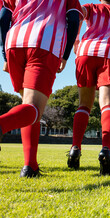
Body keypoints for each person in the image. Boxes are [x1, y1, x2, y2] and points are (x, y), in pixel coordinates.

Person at [0, 0, 82, 177]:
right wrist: (66, 55)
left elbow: (3, 16)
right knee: (34, 107)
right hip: (44, 41)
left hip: (14, 42)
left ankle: (30, 166)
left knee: (28, 107)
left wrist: (4, 54)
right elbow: (74, 20)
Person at [67, 0, 110, 175]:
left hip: (85, 52)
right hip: (109, 53)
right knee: (108, 104)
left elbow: (77, 15)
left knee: (84, 105)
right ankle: (106, 150)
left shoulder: (91, 7)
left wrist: (75, 42)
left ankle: (75, 148)